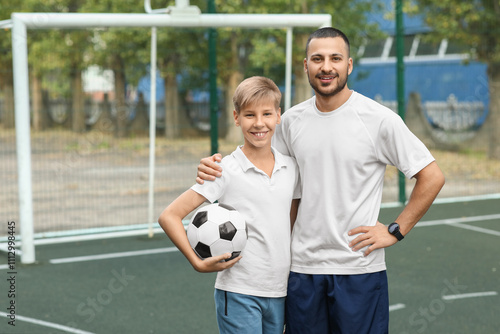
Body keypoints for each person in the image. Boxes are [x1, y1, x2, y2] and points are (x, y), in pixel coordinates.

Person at [196, 27, 445, 333]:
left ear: (349, 65)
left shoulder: (379, 119)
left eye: (335, 58)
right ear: (306, 66)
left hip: (359, 270)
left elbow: (431, 176)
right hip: (302, 271)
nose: (326, 66)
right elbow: (266, 173)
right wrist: (214, 166)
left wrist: (395, 230)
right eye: (317, 58)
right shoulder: (289, 122)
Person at [158, 76, 300, 334]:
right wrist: (197, 262)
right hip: (238, 291)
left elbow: (290, 221)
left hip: (282, 290)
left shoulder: (291, 167)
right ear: (236, 118)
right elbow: (170, 216)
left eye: (267, 113)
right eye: (249, 115)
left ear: (278, 116)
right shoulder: (223, 170)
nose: (259, 123)